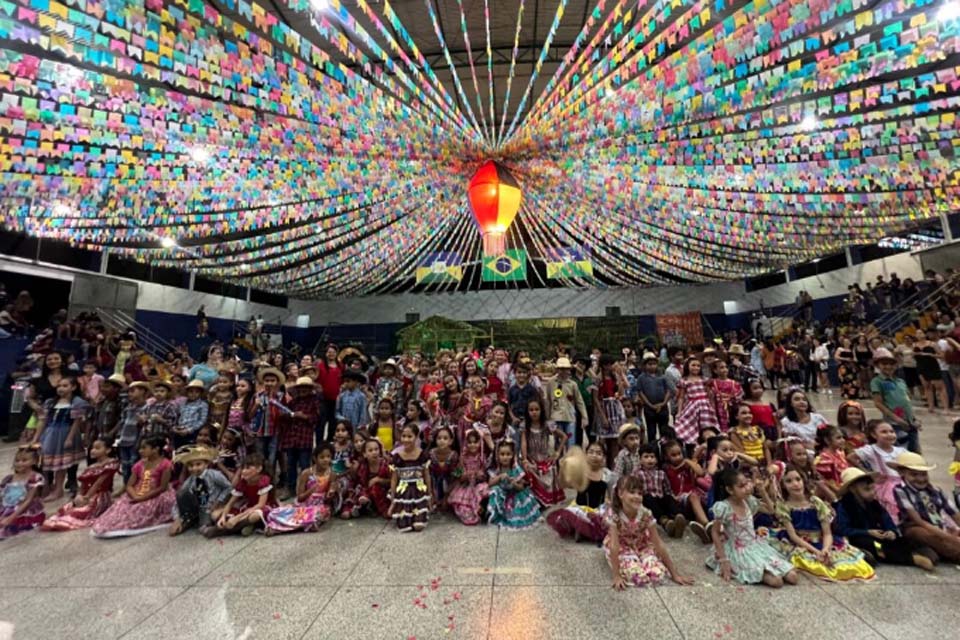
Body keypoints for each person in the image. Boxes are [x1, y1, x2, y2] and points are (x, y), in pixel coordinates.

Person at [772, 466, 875, 581]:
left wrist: (825, 549)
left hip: (821, 540)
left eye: (798, 479)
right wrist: (816, 552)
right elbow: (793, 536)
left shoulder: (816, 502)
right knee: (811, 562)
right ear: (783, 485)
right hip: (800, 542)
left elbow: (827, 533)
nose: (795, 484)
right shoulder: (784, 506)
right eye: (789, 481)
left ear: (804, 480)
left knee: (843, 564)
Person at [706, 468, 797, 587]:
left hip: (755, 545)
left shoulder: (748, 501)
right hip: (738, 550)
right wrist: (724, 560)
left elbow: (771, 510)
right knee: (777, 582)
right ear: (730, 490)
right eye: (742, 486)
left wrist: (762, 491)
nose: (748, 487)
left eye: (747, 483)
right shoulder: (724, 507)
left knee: (793, 577)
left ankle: (768, 568)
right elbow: (715, 533)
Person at [835, 467, 936, 570]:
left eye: (873, 488)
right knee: (875, 547)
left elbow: (887, 521)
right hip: (861, 539)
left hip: (880, 536)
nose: (873, 492)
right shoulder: (844, 506)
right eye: (867, 489)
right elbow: (842, 529)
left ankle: (917, 551)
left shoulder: (874, 504)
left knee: (902, 538)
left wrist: (891, 532)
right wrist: (867, 532)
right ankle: (911, 559)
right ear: (853, 489)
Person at [604, 475, 694, 589]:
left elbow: (658, 543)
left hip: (642, 545)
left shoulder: (646, 514)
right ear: (621, 494)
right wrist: (616, 576)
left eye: (640, 493)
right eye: (632, 492)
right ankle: (631, 562)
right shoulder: (614, 514)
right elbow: (614, 545)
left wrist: (675, 574)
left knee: (657, 574)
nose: (637, 496)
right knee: (636, 575)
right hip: (622, 547)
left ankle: (642, 560)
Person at [92, 436, 176, 538]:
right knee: (120, 509)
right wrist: (135, 496)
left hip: (156, 494)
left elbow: (162, 487)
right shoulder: (139, 464)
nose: (140, 451)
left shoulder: (165, 464)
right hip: (136, 493)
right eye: (140, 448)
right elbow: (130, 485)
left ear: (156, 449)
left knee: (140, 510)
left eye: (144, 448)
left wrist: (142, 498)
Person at [893, 452, 960, 563]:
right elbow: (919, 521)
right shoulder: (900, 491)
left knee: (946, 537)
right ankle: (955, 553)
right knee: (921, 533)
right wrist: (950, 538)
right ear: (902, 473)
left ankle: (934, 551)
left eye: (924, 474)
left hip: (938, 526)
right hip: (915, 527)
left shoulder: (936, 490)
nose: (920, 479)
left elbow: (954, 513)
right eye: (914, 475)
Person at [32, 375, 89, 501]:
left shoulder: (77, 402)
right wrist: (36, 437)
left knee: (61, 463)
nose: (61, 388)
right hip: (49, 433)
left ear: (73, 387)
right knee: (45, 461)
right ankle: (46, 486)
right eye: (59, 386)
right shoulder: (51, 402)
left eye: (65, 386)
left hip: (65, 432)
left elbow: (76, 422)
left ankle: (58, 489)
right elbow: (43, 420)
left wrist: (69, 438)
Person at [42, 438, 119, 531]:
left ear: (108, 450)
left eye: (97, 448)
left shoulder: (110, 463)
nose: (93, 450)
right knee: (66, 509)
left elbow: (99, 483)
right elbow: (83, 484)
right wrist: (79, 496)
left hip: (99, 496)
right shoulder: (91, 467)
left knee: (80, 512)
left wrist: (86, 497)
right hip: (86, 495)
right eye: (92, 448)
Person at [547, 441, 615, 542]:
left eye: (598, 453)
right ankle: (580, 529)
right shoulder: (580, 471)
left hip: (598, 509)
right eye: (591, 452)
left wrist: (610, 505)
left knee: (610, 521)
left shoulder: (607, 474)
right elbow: (565, 484)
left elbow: (612, 496)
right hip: (580, 508)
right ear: (585, 455)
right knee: (572, 516)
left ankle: (586, 530)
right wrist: (563, 469)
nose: (594, 456)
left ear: (604, 457)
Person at [266, 443, 338, 535]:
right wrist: (310, 491)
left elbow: (328, 499)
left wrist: (331, 493)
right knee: (275, 513)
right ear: (315, 458)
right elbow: (300, 498)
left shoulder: (332, 474)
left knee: (315, 517)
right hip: (305, 505)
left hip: (320, 506)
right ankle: (278, 526)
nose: (326, 460)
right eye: (322, 457)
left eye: (328, 457)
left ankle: (278, 528)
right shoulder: (307, 473)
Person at [169, 445, 232, 536]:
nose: (194, 468)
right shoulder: (190, 480)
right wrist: (177, 518)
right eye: (191, 466)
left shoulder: (214, 475)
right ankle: (187, 519)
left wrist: (219, 501)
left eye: (198, 464)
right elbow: (178, 501)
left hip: (211, 507)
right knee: (181, 493)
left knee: (204, 529)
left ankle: (216, 527)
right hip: (197, 508)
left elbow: (228, 487)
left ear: (206, 464)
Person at [209, 453, 278, 537]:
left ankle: (224, 530)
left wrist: (237, 518)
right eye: (243, 468)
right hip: (248, 508)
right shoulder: (243, 482)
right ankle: (246, 526)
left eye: (248, 468)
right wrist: (223, 517)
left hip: (262, 508)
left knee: (255, 516)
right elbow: (230, 503)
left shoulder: (263, 480)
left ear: (259, 469)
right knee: (214, 514)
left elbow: (260, 505)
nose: (243, 471)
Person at [851, 420, 907, 522]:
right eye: (884, 432)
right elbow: (851, 457)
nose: (889, 434)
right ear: (873, 434)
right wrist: (868, 474)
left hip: (901, 484)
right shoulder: (871, 450)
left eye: (891, 431)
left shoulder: (900, 451)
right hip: (884, 486)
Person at [870, 348, 919, 453]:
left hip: (910, 422)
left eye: (891, 364)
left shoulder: (900, 381)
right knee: (900, 451)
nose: (888, 366)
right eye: (884, 364)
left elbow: (907, 401)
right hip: (894, 423)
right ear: (878, 365)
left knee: (914, 451)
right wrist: (896, 419)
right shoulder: (877, 381)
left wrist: (914, 419)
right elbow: (878, 403)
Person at [520, 397, 567, 507]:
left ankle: (543, 500)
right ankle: (535, 500)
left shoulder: (547, 424)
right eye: (531, 410)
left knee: (547, 476)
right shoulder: (525, 425)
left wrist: (557, 452)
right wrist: (525, 459)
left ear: (542, 410)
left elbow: (564, 437)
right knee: (529, 471)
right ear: (527, 412)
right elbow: (524, 443)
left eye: (537, 409)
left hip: (545, 459)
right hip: (532, 459)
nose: (534, 412)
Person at [279, 377, 321, 500]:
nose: (303, 390)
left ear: (310, 389)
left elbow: (317, 419)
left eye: (305, 388)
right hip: (291, 437)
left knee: (304, 465)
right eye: (301, 388)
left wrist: (304, 417)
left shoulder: (315, 402)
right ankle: (290, 488)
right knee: (290, 464)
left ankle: (306, 489)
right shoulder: (293, 402)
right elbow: (284, 415)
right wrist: (289, 415)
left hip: (305, 437)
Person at [633, 444, 686, 538]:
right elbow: (634, 489)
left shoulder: (661, 473)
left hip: (660, 499)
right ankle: (665, 522)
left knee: (668, 498)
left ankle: (678, 518)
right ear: (640, 460)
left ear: (656, 460)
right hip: (648, 503)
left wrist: (673, 498)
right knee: (648, 498)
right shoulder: (638, 474)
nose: (650, 459)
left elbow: (667, 490)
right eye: (646, 457)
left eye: (652, 457)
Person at [487, 441, 540, 529]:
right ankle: (494, 513)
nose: (505, 457)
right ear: (497, 456)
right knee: (495, 490)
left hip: (515, 495)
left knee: (515, 512)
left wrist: (514, 483)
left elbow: (521, 487)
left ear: (512, 455)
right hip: (503, 495)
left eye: (508, 454)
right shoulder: (497, 469)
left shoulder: (515, 468)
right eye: (502, 454)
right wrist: (499, 477)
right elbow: (490, 484)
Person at [389, 424, 431, 532]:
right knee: (404, 526)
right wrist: (393, 499)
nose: (406, 440)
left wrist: (429, 496)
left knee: (418, 525)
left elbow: (426, 476)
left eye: (409, 436)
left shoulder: (422, 455)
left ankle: (420, 516)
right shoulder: (397, 457)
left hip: (418, 492)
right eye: (403, 436)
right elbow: (394, 479)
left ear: (416, 437)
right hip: (403, 493)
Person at [0, 447, 45, 539]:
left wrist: (11, 517)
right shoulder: (8, 478)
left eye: (24, 460)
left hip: (23, 509)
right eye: (17, 460)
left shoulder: (35, 478)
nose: (20, 463)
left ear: (34, 461)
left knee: (7, 526)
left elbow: (28, 500)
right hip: (7, 507)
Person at [673, 357, 720, 447]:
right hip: (692, 406)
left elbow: (710, 395)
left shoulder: (704, 379)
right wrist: (679, 412)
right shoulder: (684, 381)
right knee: (692, 426)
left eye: (698, 366)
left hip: (705, 406)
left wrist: (713, 407)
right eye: (693, 365)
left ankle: (710, 444)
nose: (696, 368)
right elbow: (681, 397)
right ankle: (695, 445)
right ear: (687, 367)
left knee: (707, 426)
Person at [448, 428, 490, 525]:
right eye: (469, 442)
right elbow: (458, 474)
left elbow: (485, 473)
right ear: (466, 443)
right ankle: (476, 512)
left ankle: (482, 509)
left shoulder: (482, 457)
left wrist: (481, 474)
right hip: (466, 486)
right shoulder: (463, 457)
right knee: (463, 506)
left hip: (478, 484)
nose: (472, 445)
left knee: (484, 491)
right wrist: (463, 475)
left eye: (475, 442)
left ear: (480, 443)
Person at [543, 357, 588, 449]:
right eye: (560, 369)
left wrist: (584, 416)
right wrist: (547, 419)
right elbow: (548, 401)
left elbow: (579, 401)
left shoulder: (572, 384)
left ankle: (569, 462)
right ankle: (558, 462)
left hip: (570, 417)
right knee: (558, 444)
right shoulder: (551, 383)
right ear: (557, 369)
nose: (563, 371)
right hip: (555, 417)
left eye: (565, 369)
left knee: (570, 443)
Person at [632, 352, 672, 443]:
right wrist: (650, 405)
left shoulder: (662, 376)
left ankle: (665, 447)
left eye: (654, 364)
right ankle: (653, 447)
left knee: (664, 429)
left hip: (662, 407)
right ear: (645, 365)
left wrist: (663, 403)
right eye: (649, 364)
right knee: (651, 430)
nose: (652, 366)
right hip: (649, 408)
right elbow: (641, 392)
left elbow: (668, 391)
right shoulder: (641, 378)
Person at [355, 438, 392, 519]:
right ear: (364, 454)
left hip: (385, 491)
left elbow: (393, 481)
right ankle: (367, 506)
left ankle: (384, 510)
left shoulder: (385, 465)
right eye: (370, 450)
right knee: (361, 494)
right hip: (368, 489)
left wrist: (379, 480)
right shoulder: (363, 466)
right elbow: (362, 483)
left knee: (375, 488)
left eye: (376, 449)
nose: (374, 452)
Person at [172, 380, 210, 448]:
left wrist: (189, 430)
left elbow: (202, 420)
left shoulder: (203, 404)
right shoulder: (183, 403)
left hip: (192, 432)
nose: (193, 394)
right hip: (180, 430)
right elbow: (178, 416)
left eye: (197, 392)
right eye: (191, 391)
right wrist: (175, 427)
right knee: (177, 449)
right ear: (187, 393)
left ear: (200, 393)